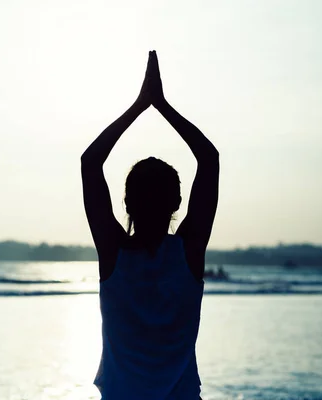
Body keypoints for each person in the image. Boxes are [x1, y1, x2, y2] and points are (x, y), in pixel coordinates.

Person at [81, 51, 219, 399]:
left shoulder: (114, 255)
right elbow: (210, 159)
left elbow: (90, 162)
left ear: (126, 203)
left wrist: (140, 105)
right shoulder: (188, 253)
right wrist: (161, 105)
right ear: (177, 203)